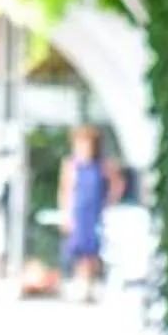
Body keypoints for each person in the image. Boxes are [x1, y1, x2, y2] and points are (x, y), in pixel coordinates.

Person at [59, 123, 123, 303]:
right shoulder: (71, 164)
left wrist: (109, 201)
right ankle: (82, 286)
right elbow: (66, 190)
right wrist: (66, 213)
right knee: (79, 250)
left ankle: (94, 284)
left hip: (95, 212)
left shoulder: (102, 165)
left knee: (93, 250)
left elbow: (117, 183)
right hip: (78, 212)